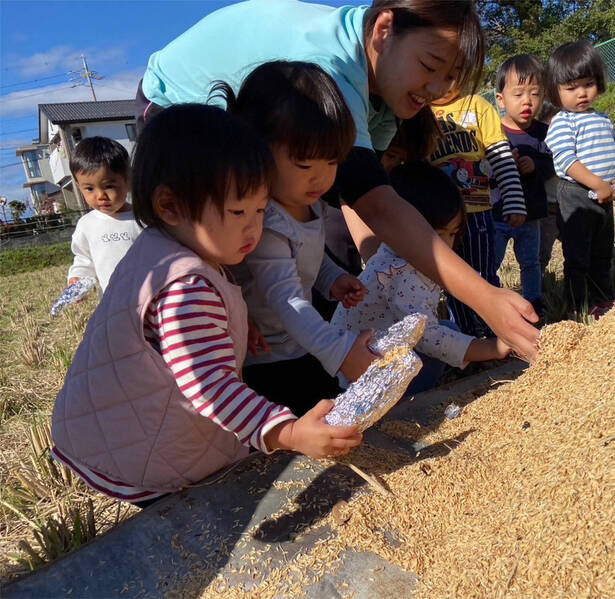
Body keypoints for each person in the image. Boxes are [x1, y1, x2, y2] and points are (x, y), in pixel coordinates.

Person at [135, 0, 540, 361]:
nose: (436, 90)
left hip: (246, 115)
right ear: (384, 29)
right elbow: (376, 203)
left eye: (450, 78)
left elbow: (357, 189)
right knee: (221, 231)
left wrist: (381, 270)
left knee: (303, 224)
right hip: (176, 104)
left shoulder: (380, 84)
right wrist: (485, 298)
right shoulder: (331, 73)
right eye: (430, 67)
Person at [50, 105, 362, 506]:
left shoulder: (160, 248)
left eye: (261, 209)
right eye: (238, 212)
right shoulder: (188, 287)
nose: (254, 227)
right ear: (171, 206)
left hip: (111, 424)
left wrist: (236, 320)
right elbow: (210, 386)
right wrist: (289, 433)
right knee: (189, 527)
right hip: (143, 452)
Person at [215, 61, 375, 417]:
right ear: (258, 151)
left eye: (331, 162)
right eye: (304, 165)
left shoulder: (308, 204)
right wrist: (342, 353)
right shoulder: (266, 222)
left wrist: (332, 278)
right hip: (263, 360)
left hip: (295, 345)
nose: (320, 178)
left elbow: (309, 256)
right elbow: (286, 300)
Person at [332, 161, 511, 396]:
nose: (446, 244)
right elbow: (428, 337)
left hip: (363, 355)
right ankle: (406, 404)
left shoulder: (395, 251)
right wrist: (490, 348)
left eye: (453, 234)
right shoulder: (402, 271)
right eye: (437, 235)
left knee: (448, 327)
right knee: (440, 336)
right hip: (358, 380)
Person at [544, 40, 615, 318]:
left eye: (588, 84)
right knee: (578, 256)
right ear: (555, 91)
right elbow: (567, 162)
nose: (581, 93)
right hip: (577, 197)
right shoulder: (562, 122)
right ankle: (578, 305)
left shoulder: (603, 119)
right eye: (571, 88)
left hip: (605, 197)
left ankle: (603, 300)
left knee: (603, 252)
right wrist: (597, 184)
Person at [429, 89, 526, 337]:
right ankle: (467, 338)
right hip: (439, 219)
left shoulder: (477, 106)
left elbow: (501, 156)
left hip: (477, 212)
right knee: (451, 282)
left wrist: (514, 202)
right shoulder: (419, 112)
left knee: (483, 275)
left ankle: (498, 332)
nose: (447, 82)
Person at [491, 54, 555, 320]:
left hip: (532, 215)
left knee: (532, 262)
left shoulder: (545, 132)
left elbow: (555, 163)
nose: (527, 101)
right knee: (490, 263)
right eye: (518, 94)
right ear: (500, 99)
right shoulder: (492, 130)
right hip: (497, 213)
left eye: (535, 94)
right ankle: (493, 305)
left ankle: (533, 303)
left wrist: (536, 166)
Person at [65, 137, 142, 295]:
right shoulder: (87, 225)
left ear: (127, 181)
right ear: (79, 187)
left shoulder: (143, 217)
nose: (100, 195)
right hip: (111, 300)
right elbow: (84, 258)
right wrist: (78, 277)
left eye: (109, 186)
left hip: (148, 294)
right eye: (89, 189)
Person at [536, 99, 561, 272]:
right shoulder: (541, 145)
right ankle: (538, 287)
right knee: (541, 253)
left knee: (578, 250)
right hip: (548, 210)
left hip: (571, 205)